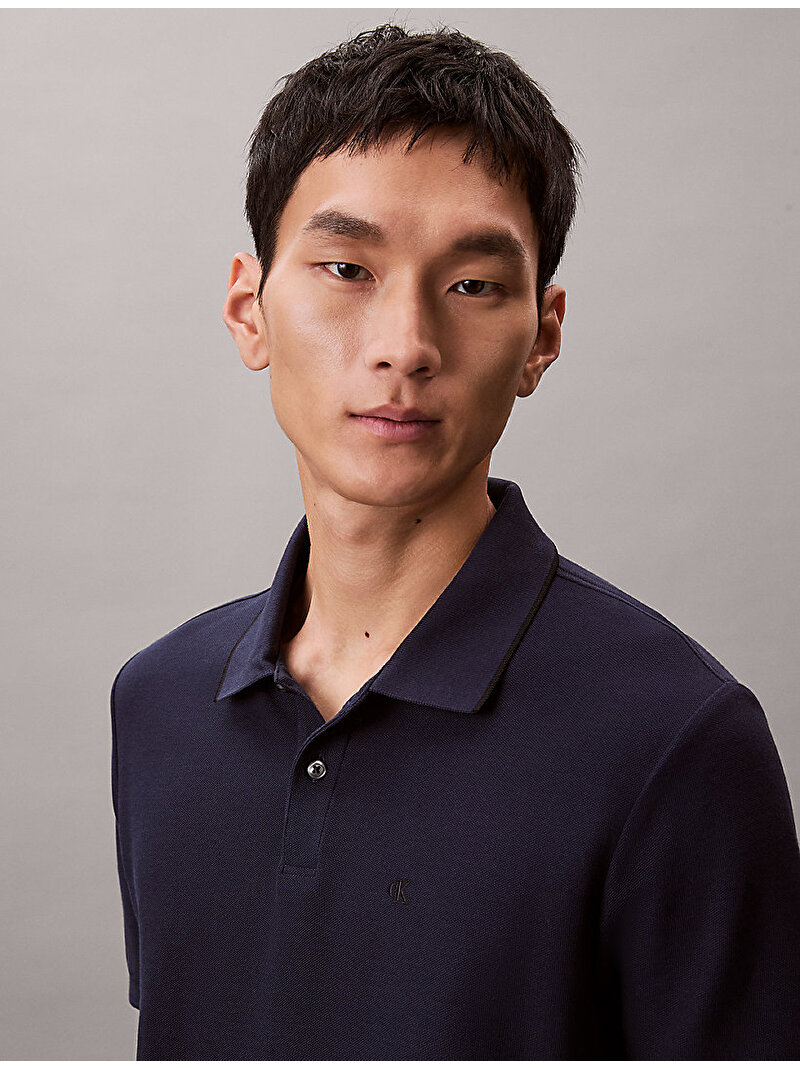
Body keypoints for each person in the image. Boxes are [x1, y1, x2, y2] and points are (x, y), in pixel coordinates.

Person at [110, 23, 800, 1059]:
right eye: (347, 268)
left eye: (473, 284)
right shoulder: (158, 701)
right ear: (249, 311)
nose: (405, 346)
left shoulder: (676, 739)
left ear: (542, 336)